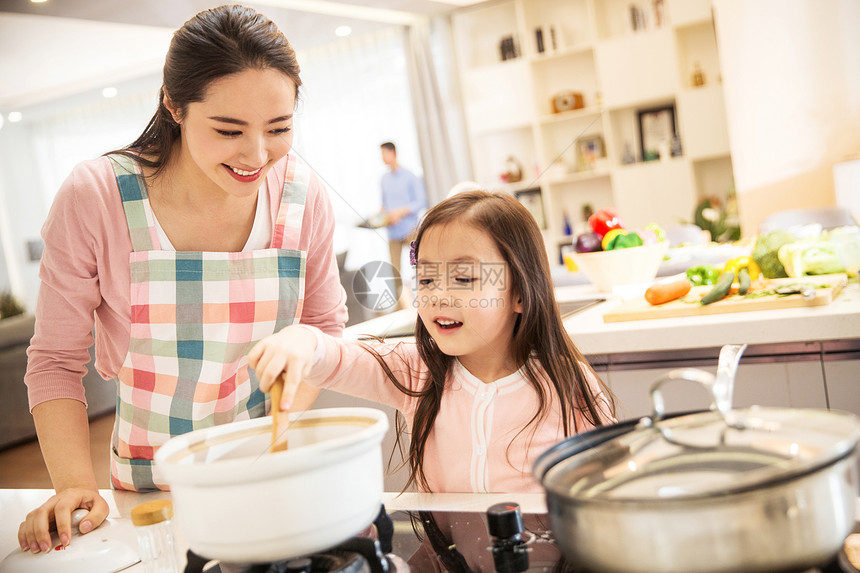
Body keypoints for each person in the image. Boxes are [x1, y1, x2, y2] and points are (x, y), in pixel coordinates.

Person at [17, 5, 347, 553]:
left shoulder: (303, 195)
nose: (257, 154)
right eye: (228, 129)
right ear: (174, 104)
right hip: (148, 496)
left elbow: (323, 328)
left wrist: (275, 438)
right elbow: (54, 361)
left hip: (267, 475)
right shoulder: (96, 196)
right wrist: (74, 486)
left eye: (279, 128)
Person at [249, 190, 615, 494]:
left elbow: (609, 494)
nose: (438, 295)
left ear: (520, 293)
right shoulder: (414, 372)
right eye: (425, 280)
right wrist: (302, 340)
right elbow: (340, 359)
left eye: (463, 278)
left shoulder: (570, 386)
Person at [379, 141, 427, 309]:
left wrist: (400, 212)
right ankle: (402, 307)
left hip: (409, 229)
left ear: (393, 153)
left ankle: (426, 299)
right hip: (392, 232)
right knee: (395, 271)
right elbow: (384, 205)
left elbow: (421, 202)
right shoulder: (384, 179)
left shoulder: (409, 176)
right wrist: (381, 215)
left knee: (420, 265)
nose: (382, 157)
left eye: (384, 153)